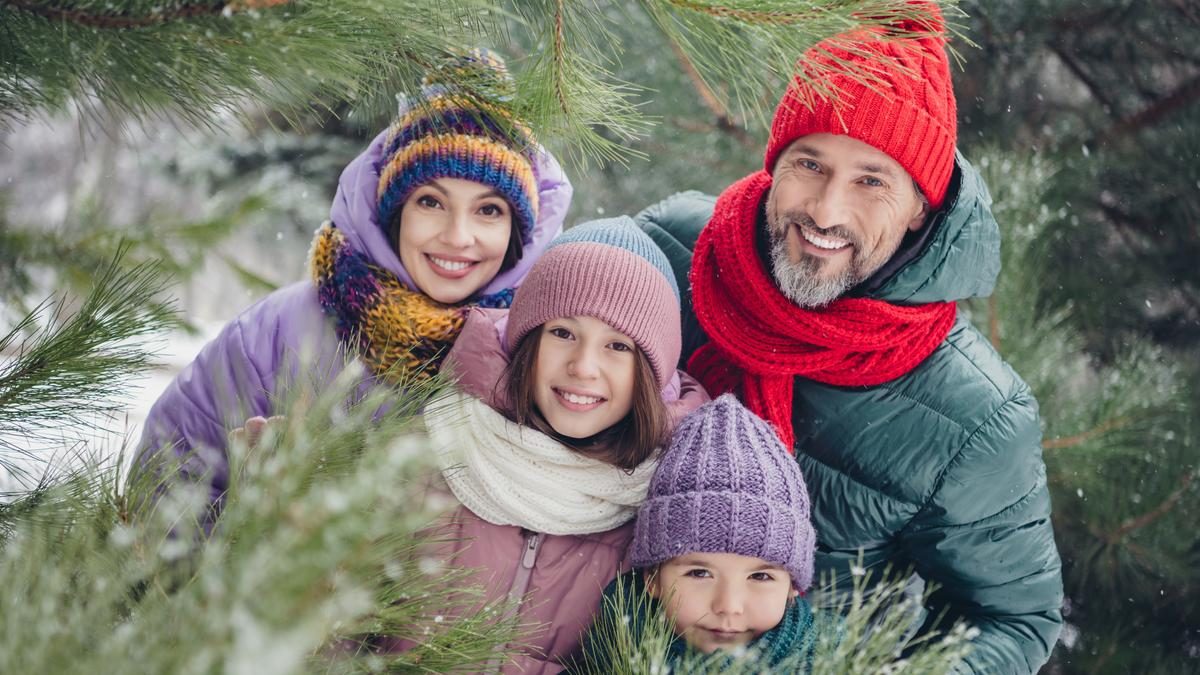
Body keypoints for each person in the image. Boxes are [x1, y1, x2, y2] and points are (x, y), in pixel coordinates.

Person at [632, 7, 1064, 673]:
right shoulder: (675, 251)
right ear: (776, 162)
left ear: (921, 203)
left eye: (871, 180)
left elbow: (1013, 617)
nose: (827, 212)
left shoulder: (975, 414)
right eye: (810, 163)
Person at [135, 50, 572, 515]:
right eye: (431, 202)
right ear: (394, 211)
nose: (457, 237)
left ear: (517, 232)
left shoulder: (544, 347)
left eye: (488, 210)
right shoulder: (277, 334)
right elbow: (164, 495)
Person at [387, 218, 707, 673]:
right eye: (563, 333)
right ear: (525, 340)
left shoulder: (664, 509)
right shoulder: (431, 447)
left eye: (618, 346)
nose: (583, 367)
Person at [574, 394, 820, 673]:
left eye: (760, 576)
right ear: (652, 579)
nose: (728, 606)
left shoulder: (835, 663)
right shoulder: (603, 660)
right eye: (700, 573)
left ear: (792, 588)